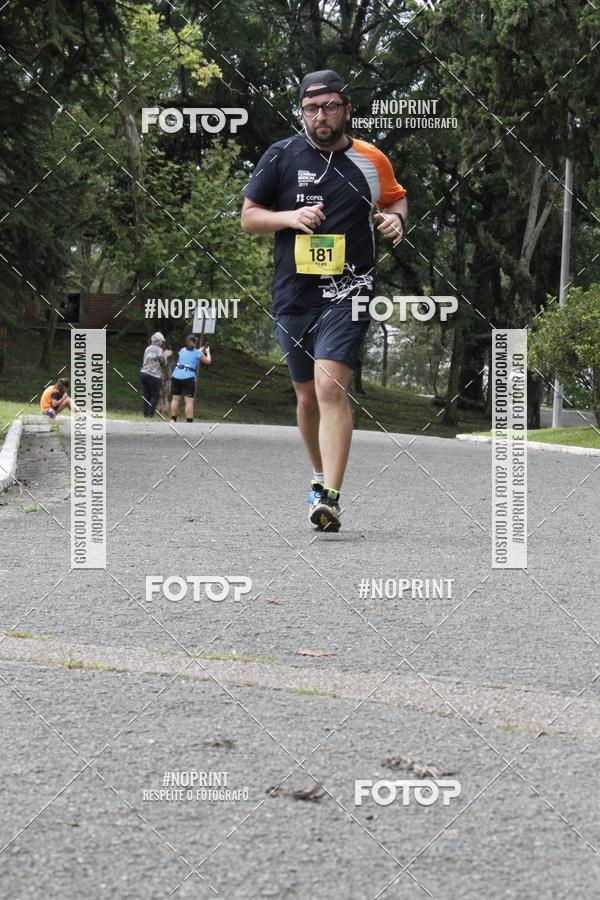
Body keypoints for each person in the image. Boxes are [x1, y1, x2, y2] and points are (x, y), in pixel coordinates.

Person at [241, 68, 408, 531]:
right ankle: (318, 475)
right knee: (305, 397)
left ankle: (330, 498)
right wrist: (290, 216)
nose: (320, 116)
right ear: (301, 111)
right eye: (311, 108)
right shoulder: (280, 157)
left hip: (350, 290)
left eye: (330, 106)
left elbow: (394, 200)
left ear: (347, 109)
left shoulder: (372, 159)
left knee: (330, 387)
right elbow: (249, 219)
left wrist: (396, 221)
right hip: (294, 292)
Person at [170, 335, 212, 422]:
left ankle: (173, 419)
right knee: (189, 401)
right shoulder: (198, 353)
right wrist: (207, 352)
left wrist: (199, 350)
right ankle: (189, 421)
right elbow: (208, 361)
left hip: (176, 375)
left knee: (175, 399)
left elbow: (188, 354)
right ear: (195, 343)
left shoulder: (182, 350)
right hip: (188, 377)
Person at [140, 331, 173, 418]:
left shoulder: (148, 348)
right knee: (155, 395)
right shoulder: (159, 350)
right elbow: (164, 363)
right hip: (153, 375)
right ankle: (150, 414)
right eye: (162, 341)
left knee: (146, 394)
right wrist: (165, 355)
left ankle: (145, 414)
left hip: (143, 373)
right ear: (158, 341)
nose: (162, 342)